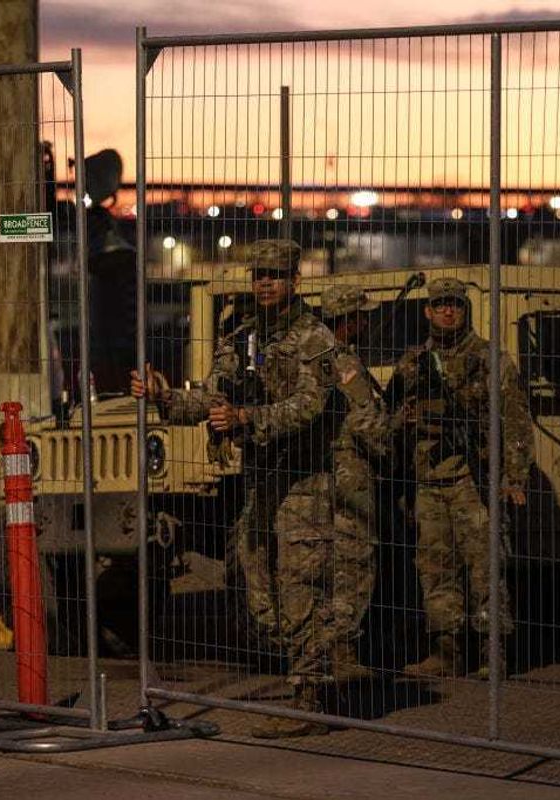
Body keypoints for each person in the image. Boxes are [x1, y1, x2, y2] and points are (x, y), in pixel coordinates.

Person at [131, 239, 342, 738]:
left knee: (299, 590)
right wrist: (164, 398)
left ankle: (310, 697)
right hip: (261, 484)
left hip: (305, 484)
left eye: (274, 275)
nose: (265, 283)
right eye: (258, 275)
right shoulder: (243, 339)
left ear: (294, 280)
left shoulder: (315, 340)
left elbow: (311, 406)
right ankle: (306, 678)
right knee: (258, 590)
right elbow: (210, 398)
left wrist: (249, 417)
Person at [384, 277, 533, 679]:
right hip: (427, 482)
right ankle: (447, 650)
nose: (449, 311)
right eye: (441, 304)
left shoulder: (490, 360)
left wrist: (513, 477)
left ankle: (492, 651)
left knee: (485, 567)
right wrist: (405, 422)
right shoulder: (412, 363)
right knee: (436, 568)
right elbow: (388, 423)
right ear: (428, 311)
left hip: (473, 480)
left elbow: (517, 423)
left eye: (456, 304)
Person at [317, 284, 389, 683]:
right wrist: (392, 442)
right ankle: (341, 652)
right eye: (361, 316)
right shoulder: (343, 362)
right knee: (353, 560)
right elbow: (367, 425)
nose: (366, 322)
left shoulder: (310, 354)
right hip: (349, 475)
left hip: (318, 476)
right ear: (348, 320)